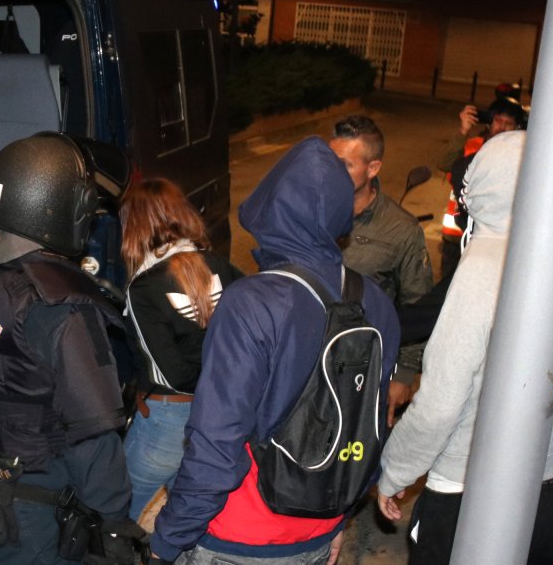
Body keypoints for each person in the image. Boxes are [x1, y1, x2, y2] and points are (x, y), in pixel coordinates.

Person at [150, 136, 400, 564]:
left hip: (240, 538)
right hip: (318, 533)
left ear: (272, 205)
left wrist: (168, 541)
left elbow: (216, 443)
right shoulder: (375, 302)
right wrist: (337, 519)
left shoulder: (252, 302)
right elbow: (364, 428)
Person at [376, 131, 553, 565]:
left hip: (471, 493)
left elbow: (442, 402)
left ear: (484, 188)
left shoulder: (482, 271)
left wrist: (396, 470)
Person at [0, 133, 137, 565]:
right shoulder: (62, 307)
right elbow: (91, 437)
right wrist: (113, 523)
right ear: (66, 209)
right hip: (30, 514)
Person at [120, 177, 242, 522]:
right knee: (190, 517)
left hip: (166, 421)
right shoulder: (221, 267)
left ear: (135, 227)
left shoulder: (143, 289)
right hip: (218, 414)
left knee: (113, 514)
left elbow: (170, 374)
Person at [328, 114, 433, 423]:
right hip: (308, 357)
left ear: (373, 168)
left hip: (364, 368)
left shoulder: (401, 230)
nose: (333, 172)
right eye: (330, 162)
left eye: (346, 165)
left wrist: (404, 374)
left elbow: (417, 304)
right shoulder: (310, 209)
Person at [438, 96, 526, 280]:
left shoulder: (518, 155)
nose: (501, 127)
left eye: (508, 123)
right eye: (498, 120)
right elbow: (444, 163)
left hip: (491, 240)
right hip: (457, 236)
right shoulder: (472, 146)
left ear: (517, 127)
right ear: (488, 121)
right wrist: (463, 130)